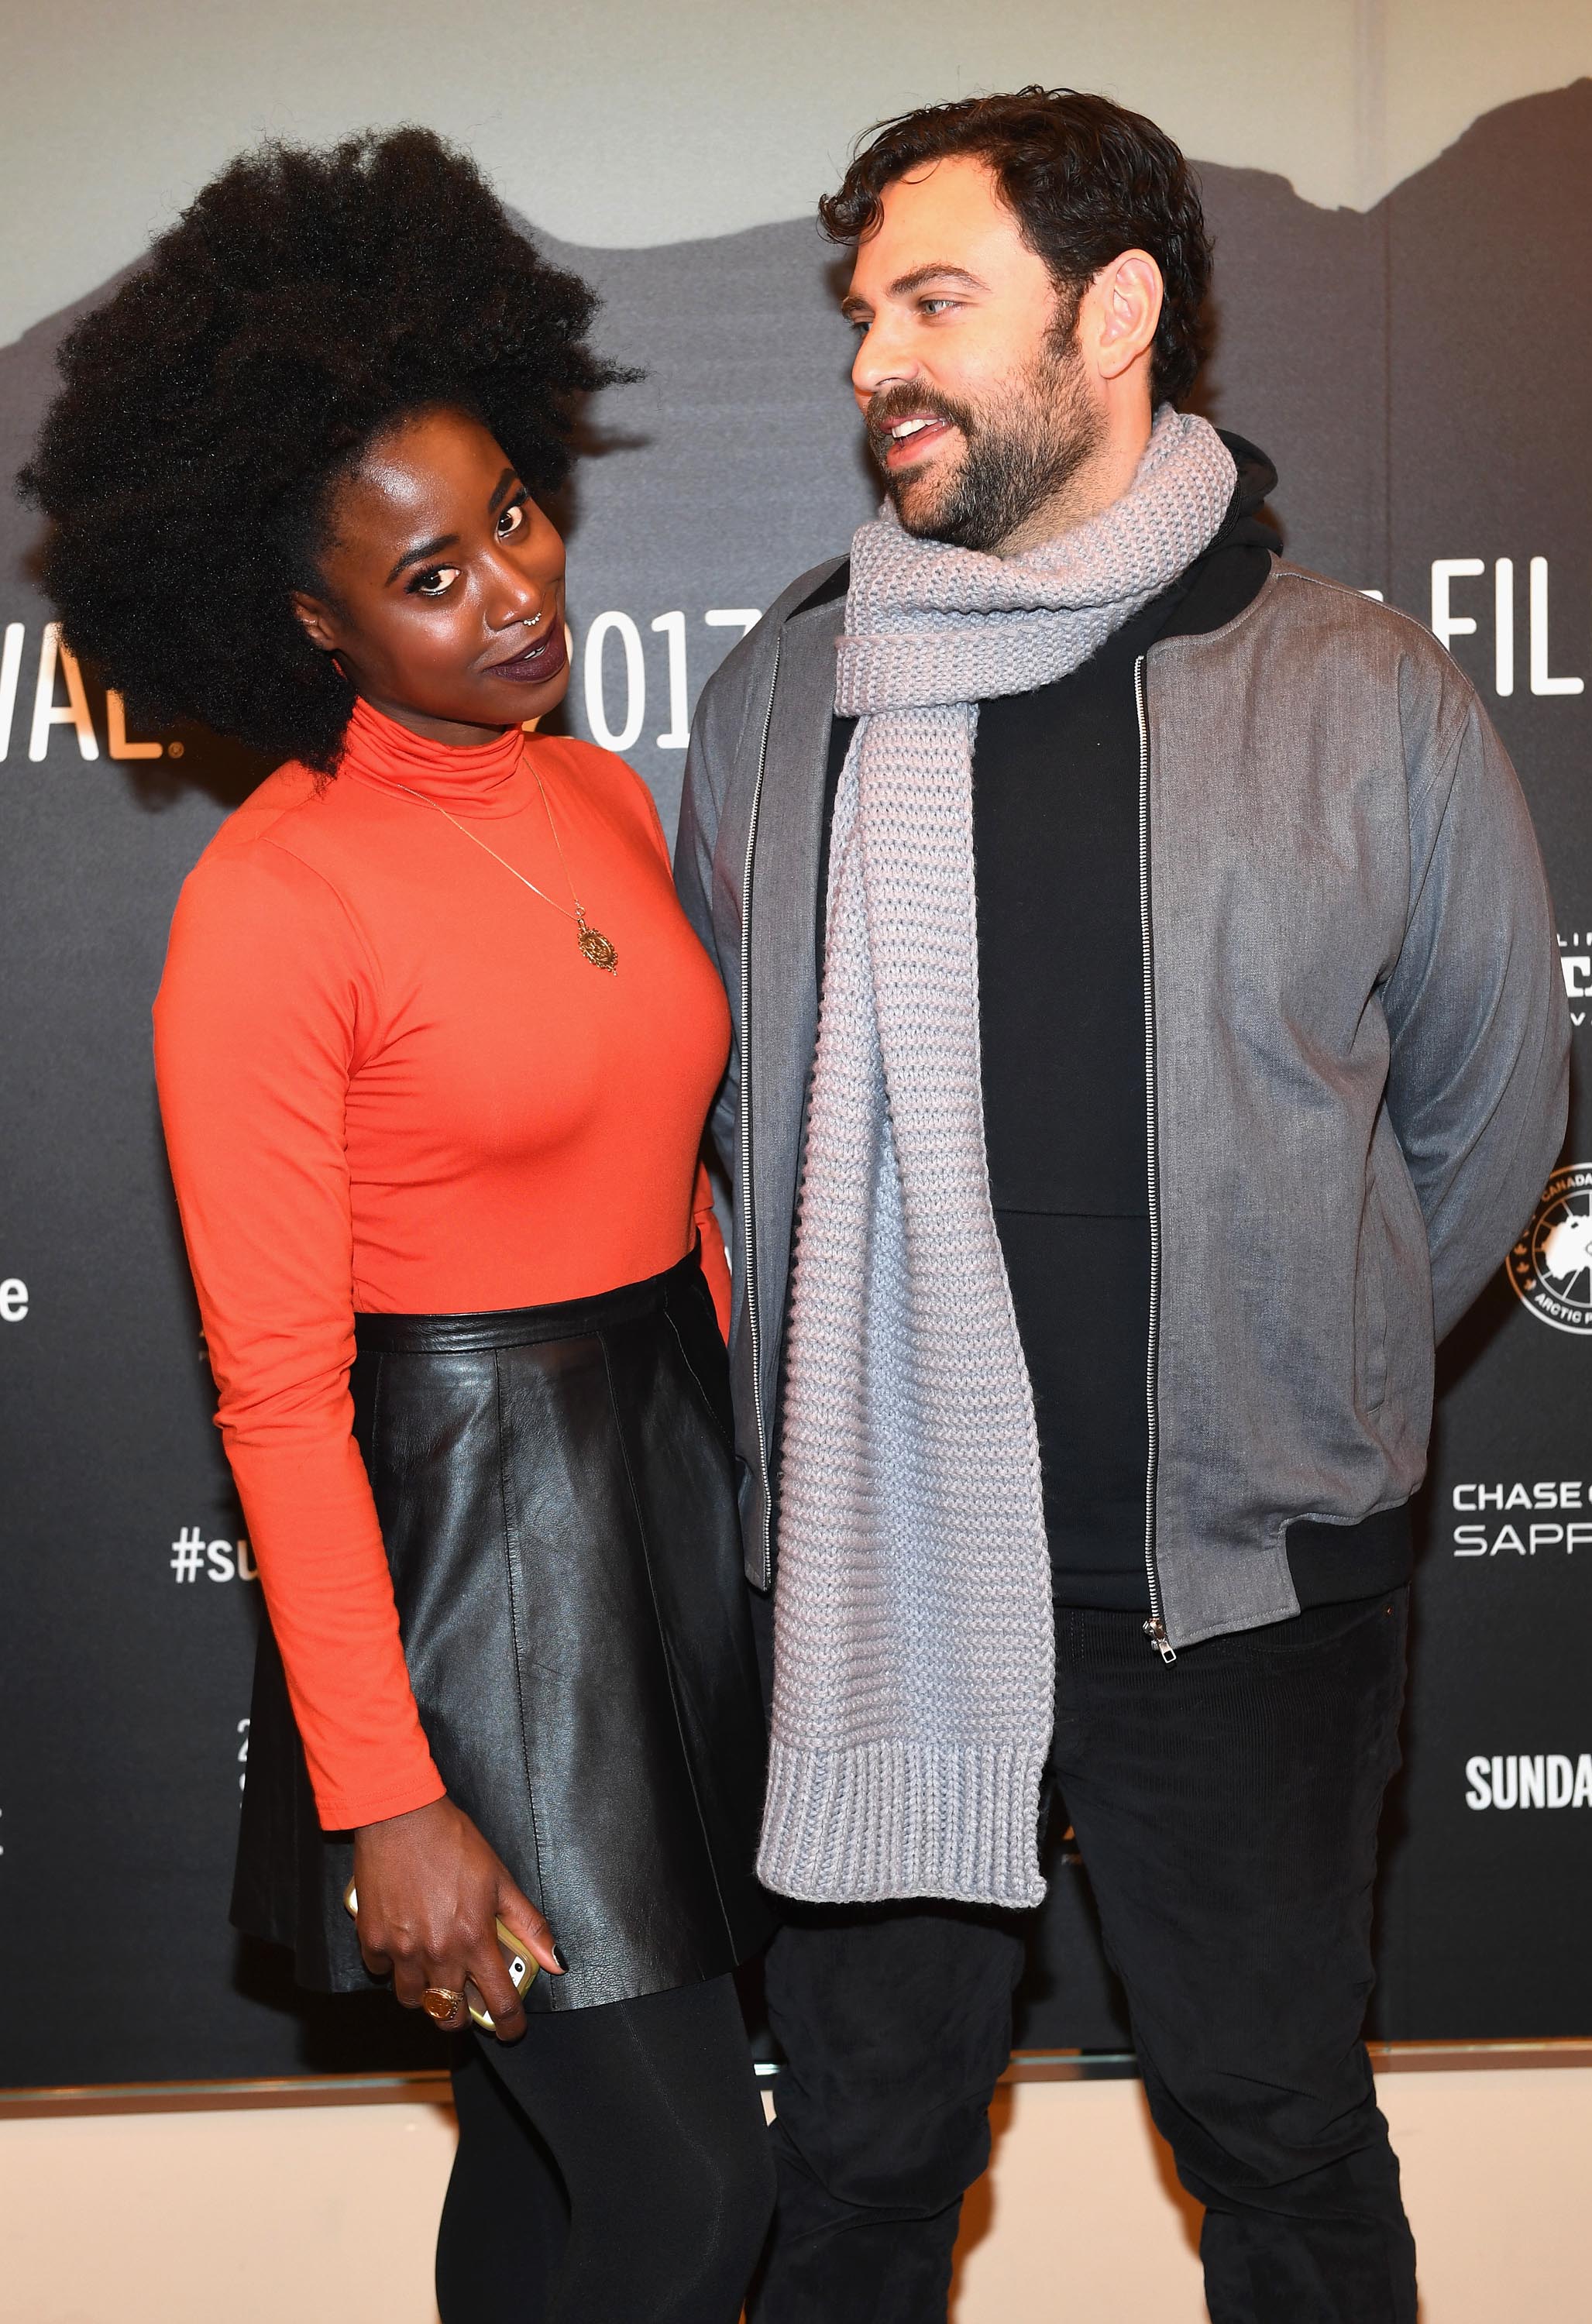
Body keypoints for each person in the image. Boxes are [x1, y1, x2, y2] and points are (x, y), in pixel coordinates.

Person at [675, 87, 1570, 2324]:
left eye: (939, 300)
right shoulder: (791, 696)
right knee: (859, 2169)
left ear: (1119, 314)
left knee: (1281, 2142)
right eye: (864, 308)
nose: (882, 355)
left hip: (1244, 1605)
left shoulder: (1360, 689)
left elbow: (1479, 1123)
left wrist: (1306, 1380)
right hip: (874, 1587)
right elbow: (729, 1123)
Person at [24, 129, 775, 2324]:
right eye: (429, 575)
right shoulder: (270, 902)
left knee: (548, 2194)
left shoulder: (600, 788)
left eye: (512, 516)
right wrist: (390, 1793)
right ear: (310, 620)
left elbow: (683, 1201)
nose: (513, 589)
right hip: (478, 1584)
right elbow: (277, 1390)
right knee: (691, 2191)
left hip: (673, 1487)